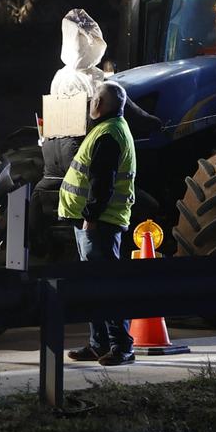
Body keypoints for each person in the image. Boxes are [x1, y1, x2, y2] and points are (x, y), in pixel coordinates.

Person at [60, 82, 138, 366]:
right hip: (96, 222)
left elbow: (101, 182)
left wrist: (91, 217)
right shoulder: (109, 129)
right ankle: (99, 344)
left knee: (106, 286)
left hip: (100, 223)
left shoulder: (108, 135)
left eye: (95, 98)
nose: (91, 102)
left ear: (101, 105)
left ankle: (121, 346)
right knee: (95, 285)